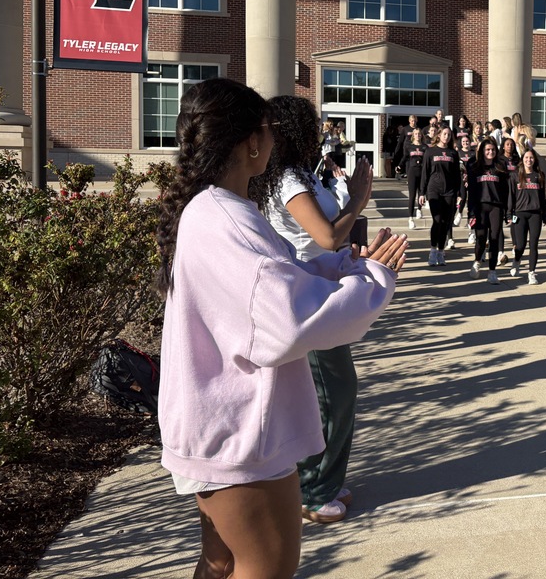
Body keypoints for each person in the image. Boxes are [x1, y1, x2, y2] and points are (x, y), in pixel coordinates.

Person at [154, 78, 406, 579]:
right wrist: (373, 282)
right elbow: (287, 320)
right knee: (264, 568)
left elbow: (279, 275)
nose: (273, 141)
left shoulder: (217, 210)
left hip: (225, 429)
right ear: (251, 142)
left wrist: (345, 271)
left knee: (223, 563)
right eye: (267, 131)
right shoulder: (222, 216)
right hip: (241, 436)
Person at [249, 95, 373, 526]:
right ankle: (313, 490)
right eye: (314, 125)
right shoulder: (285, 180)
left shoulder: (301, 174)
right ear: (296, 131)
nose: (322, 131)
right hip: (306, 296)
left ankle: (325, 479)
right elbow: (324, 236)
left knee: (337, 392)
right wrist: (357, 199)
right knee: (330, 394)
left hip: (323, 287)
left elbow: (332, 233)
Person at [467, 137, 509, 285]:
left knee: (495, 238)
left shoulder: (500, 166)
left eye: (492, 149)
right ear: (482, 151)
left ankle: (492, 271)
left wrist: (508, 211)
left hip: (496, 206)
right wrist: (470, 212)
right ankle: (477, 261)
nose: (490, 152)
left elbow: (506, 190)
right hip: (480, 206)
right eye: (487, 150)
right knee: (481, 238)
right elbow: (471, 191)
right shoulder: (475, 167)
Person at [419, 127, 462, 266]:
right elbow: (425, 172)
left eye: (449, 135)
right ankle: (432, 250)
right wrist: (422, 192)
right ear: (438, 135)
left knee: (446, 222)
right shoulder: (430, 151)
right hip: (434, 190)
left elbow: (457, 175)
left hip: (449, 191)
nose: (447, 136)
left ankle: (440, 251)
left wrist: (459, 193)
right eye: (444, 134)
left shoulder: (453, 153)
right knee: (437, 220)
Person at [508, 148, 546, 285]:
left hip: (535, 214)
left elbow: (543, 197)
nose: (529, 160)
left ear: (534, 160)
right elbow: (511, 196)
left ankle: (531, 272)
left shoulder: (539, 176)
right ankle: (517, 260)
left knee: (534, 244)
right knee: (520, 245)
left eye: (531, 158)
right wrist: (509, 213)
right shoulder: (515, 175)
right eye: (526, 157)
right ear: (522, 159)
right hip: (520, 214)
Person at [401, 127, 427, 229]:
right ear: (413, 135)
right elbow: (405, 157)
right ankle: (410, 218)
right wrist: (399, 166)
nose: (417, 135)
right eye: (416, 134)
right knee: (412, 195)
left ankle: (419, 209)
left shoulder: (425, 147)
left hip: (422, 172)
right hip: (412, 171)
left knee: (421, 193)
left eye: (419, 134)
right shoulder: (409, 146)